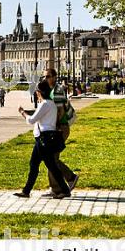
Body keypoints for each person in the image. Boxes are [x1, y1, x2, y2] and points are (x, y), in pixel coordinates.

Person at [14, 80, 71, 199]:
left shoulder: (45, 104)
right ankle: (26, 190)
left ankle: (64, 190)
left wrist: (22, 112)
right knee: (36, 164)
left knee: (49, 166)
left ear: (40, 92)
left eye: (37, 91)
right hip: (45, 138)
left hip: (44, 139)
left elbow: (31, 120)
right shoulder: (50, 104)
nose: (36, 94)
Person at [43, 68, 78, 196]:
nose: (45, 79)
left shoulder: (57, 91)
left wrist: (54, 127)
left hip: (60, 128)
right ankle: (56, 187)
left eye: (48, 76)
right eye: (44, 77)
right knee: (51, 158)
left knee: (52, 158)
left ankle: (70, 178)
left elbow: (60, 111)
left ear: (54, 77)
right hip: (58, 127)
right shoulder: (52, 90)